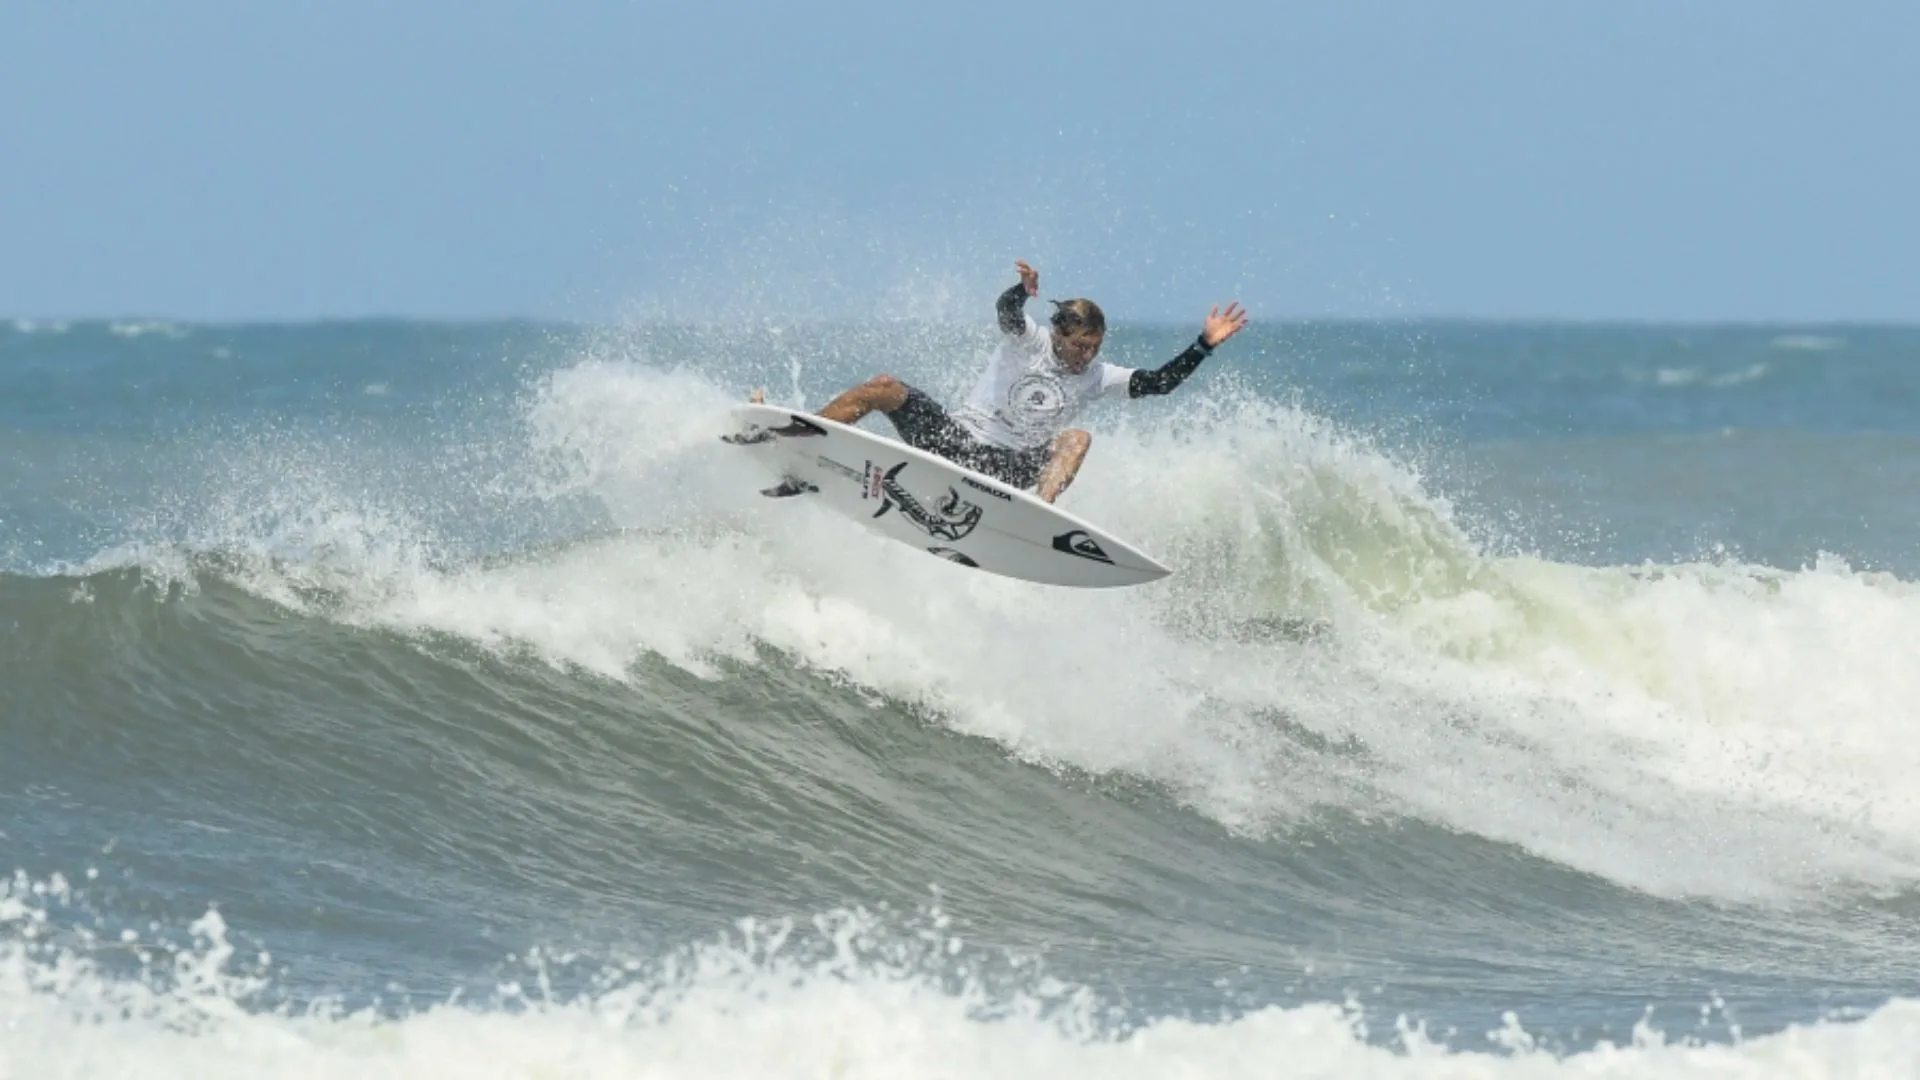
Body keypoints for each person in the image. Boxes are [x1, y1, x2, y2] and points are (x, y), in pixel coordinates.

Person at [763, 261, 1248, 503]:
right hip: (953, 440)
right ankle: (804, 439)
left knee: (1077, 437)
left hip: (1010, 469)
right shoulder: (1029, 340)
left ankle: (1037, 514)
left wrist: (1203, 345)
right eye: (1080, 345)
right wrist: (1022, 291)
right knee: (885, 386)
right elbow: (1007, 312)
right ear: (1059, 333)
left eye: (1095, 347)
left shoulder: (1100, 377)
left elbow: (1159, 383)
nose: (1087, 356)